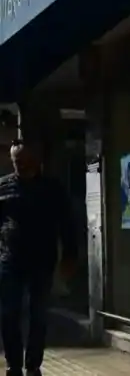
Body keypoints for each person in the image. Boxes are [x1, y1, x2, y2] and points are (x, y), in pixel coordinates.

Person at [0, 139, 77, 376]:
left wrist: (70, 255)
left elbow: (67, 224)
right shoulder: (3, 187)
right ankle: (13, 365)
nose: (20, 166)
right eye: (16, 161)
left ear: (36, 160)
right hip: (10, 260)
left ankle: (33, 365)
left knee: (38, 314)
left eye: (25, 161)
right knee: (9, 314)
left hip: (42, 261)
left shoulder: (52, 189)